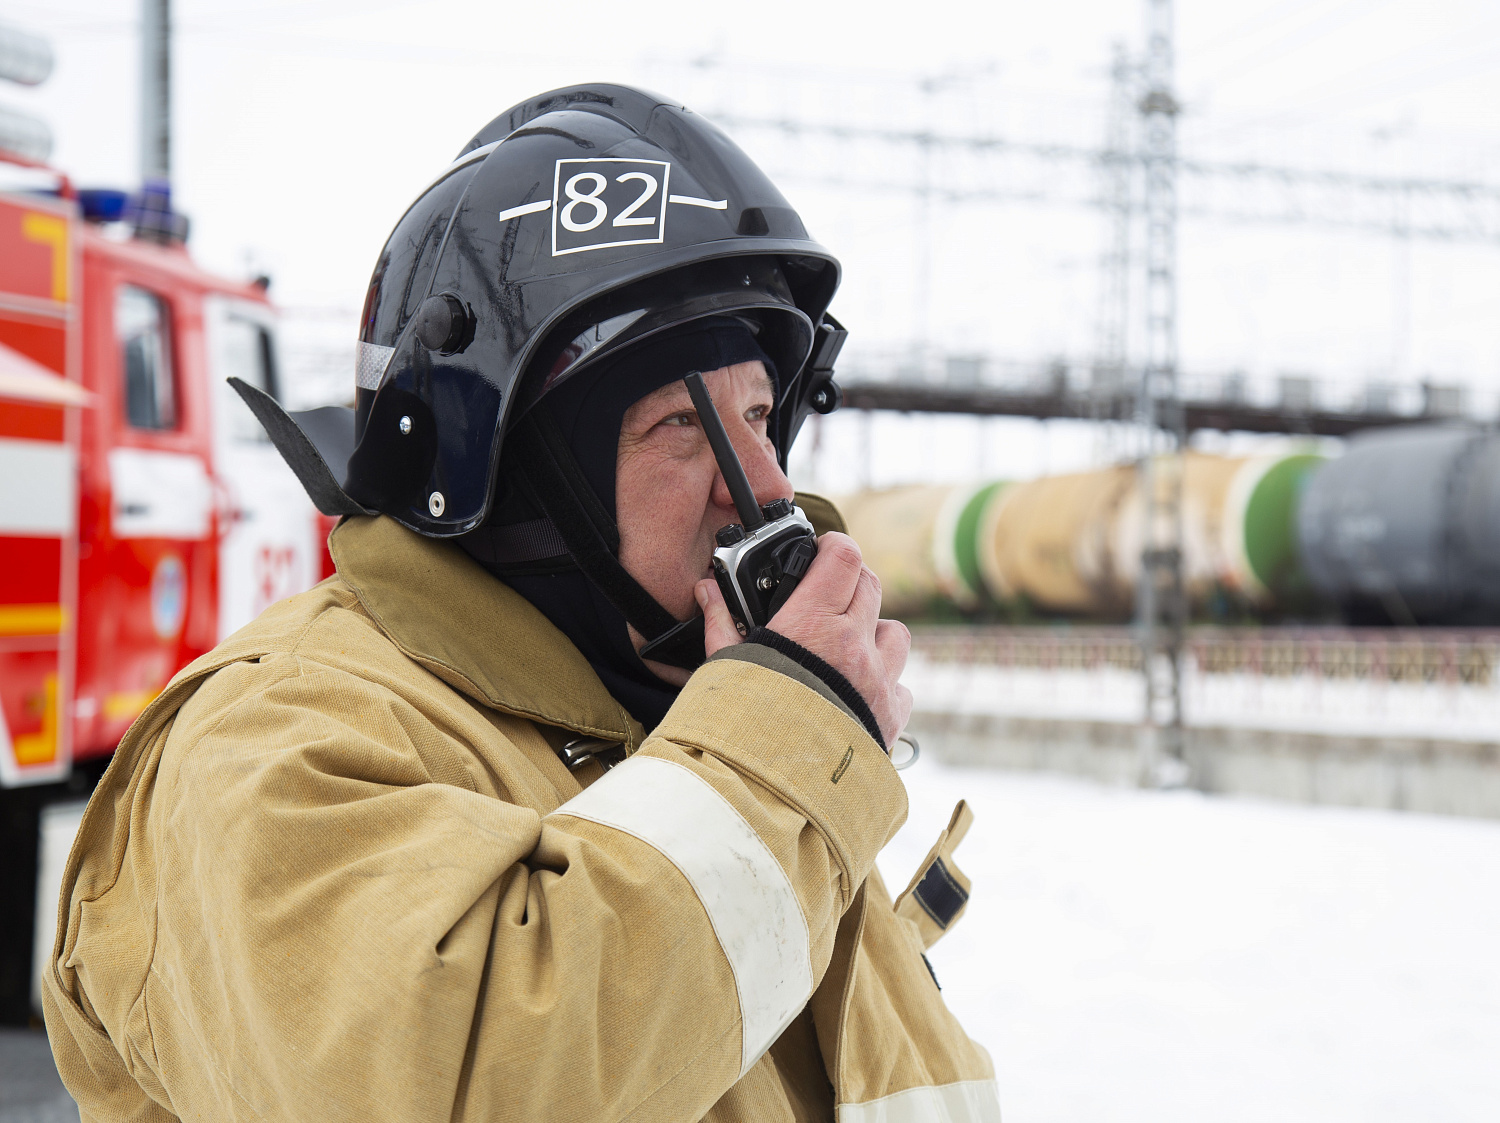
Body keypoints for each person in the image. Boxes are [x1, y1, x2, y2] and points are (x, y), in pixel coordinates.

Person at [43, 84, 996, 1122]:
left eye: (762, 412)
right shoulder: (276, 742)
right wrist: (785, 747)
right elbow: (460, 1081)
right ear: (518, 472)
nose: (762, 485)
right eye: (682, 425)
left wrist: (774, 742)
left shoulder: (695, 731)